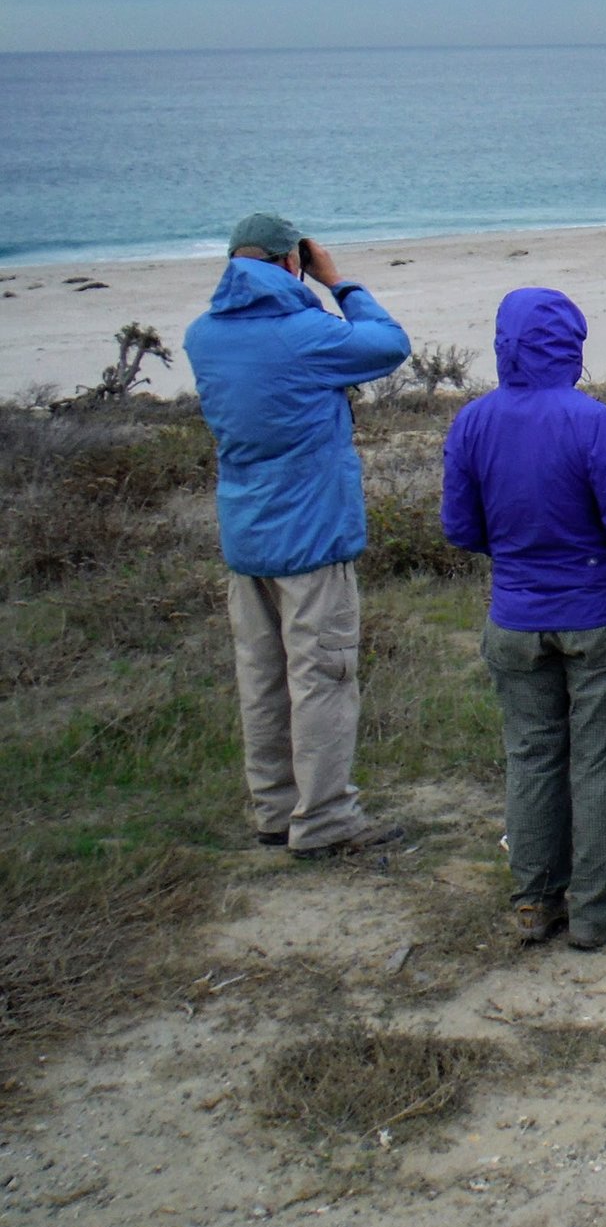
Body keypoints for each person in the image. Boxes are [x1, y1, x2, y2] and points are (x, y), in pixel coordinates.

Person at [183, 213, 410, 857]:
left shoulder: (204, 336)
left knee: (262, 678)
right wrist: (339, 282)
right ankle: (327, 820)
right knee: (323, 676)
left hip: (246, 533)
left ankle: (275, 810)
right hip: (311, 535)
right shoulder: (306, 336)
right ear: (291, 263)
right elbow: (389, 345)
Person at [442, 289, 606, 948]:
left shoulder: (472, 421)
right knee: (600, 763)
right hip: (601, 615)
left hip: (516, 615)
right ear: (572, 345)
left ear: (504, 343)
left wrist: (520, 555)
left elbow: (461, 527)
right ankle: (597, 911)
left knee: (532, 756)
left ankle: (535, 902)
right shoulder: (589, 420)